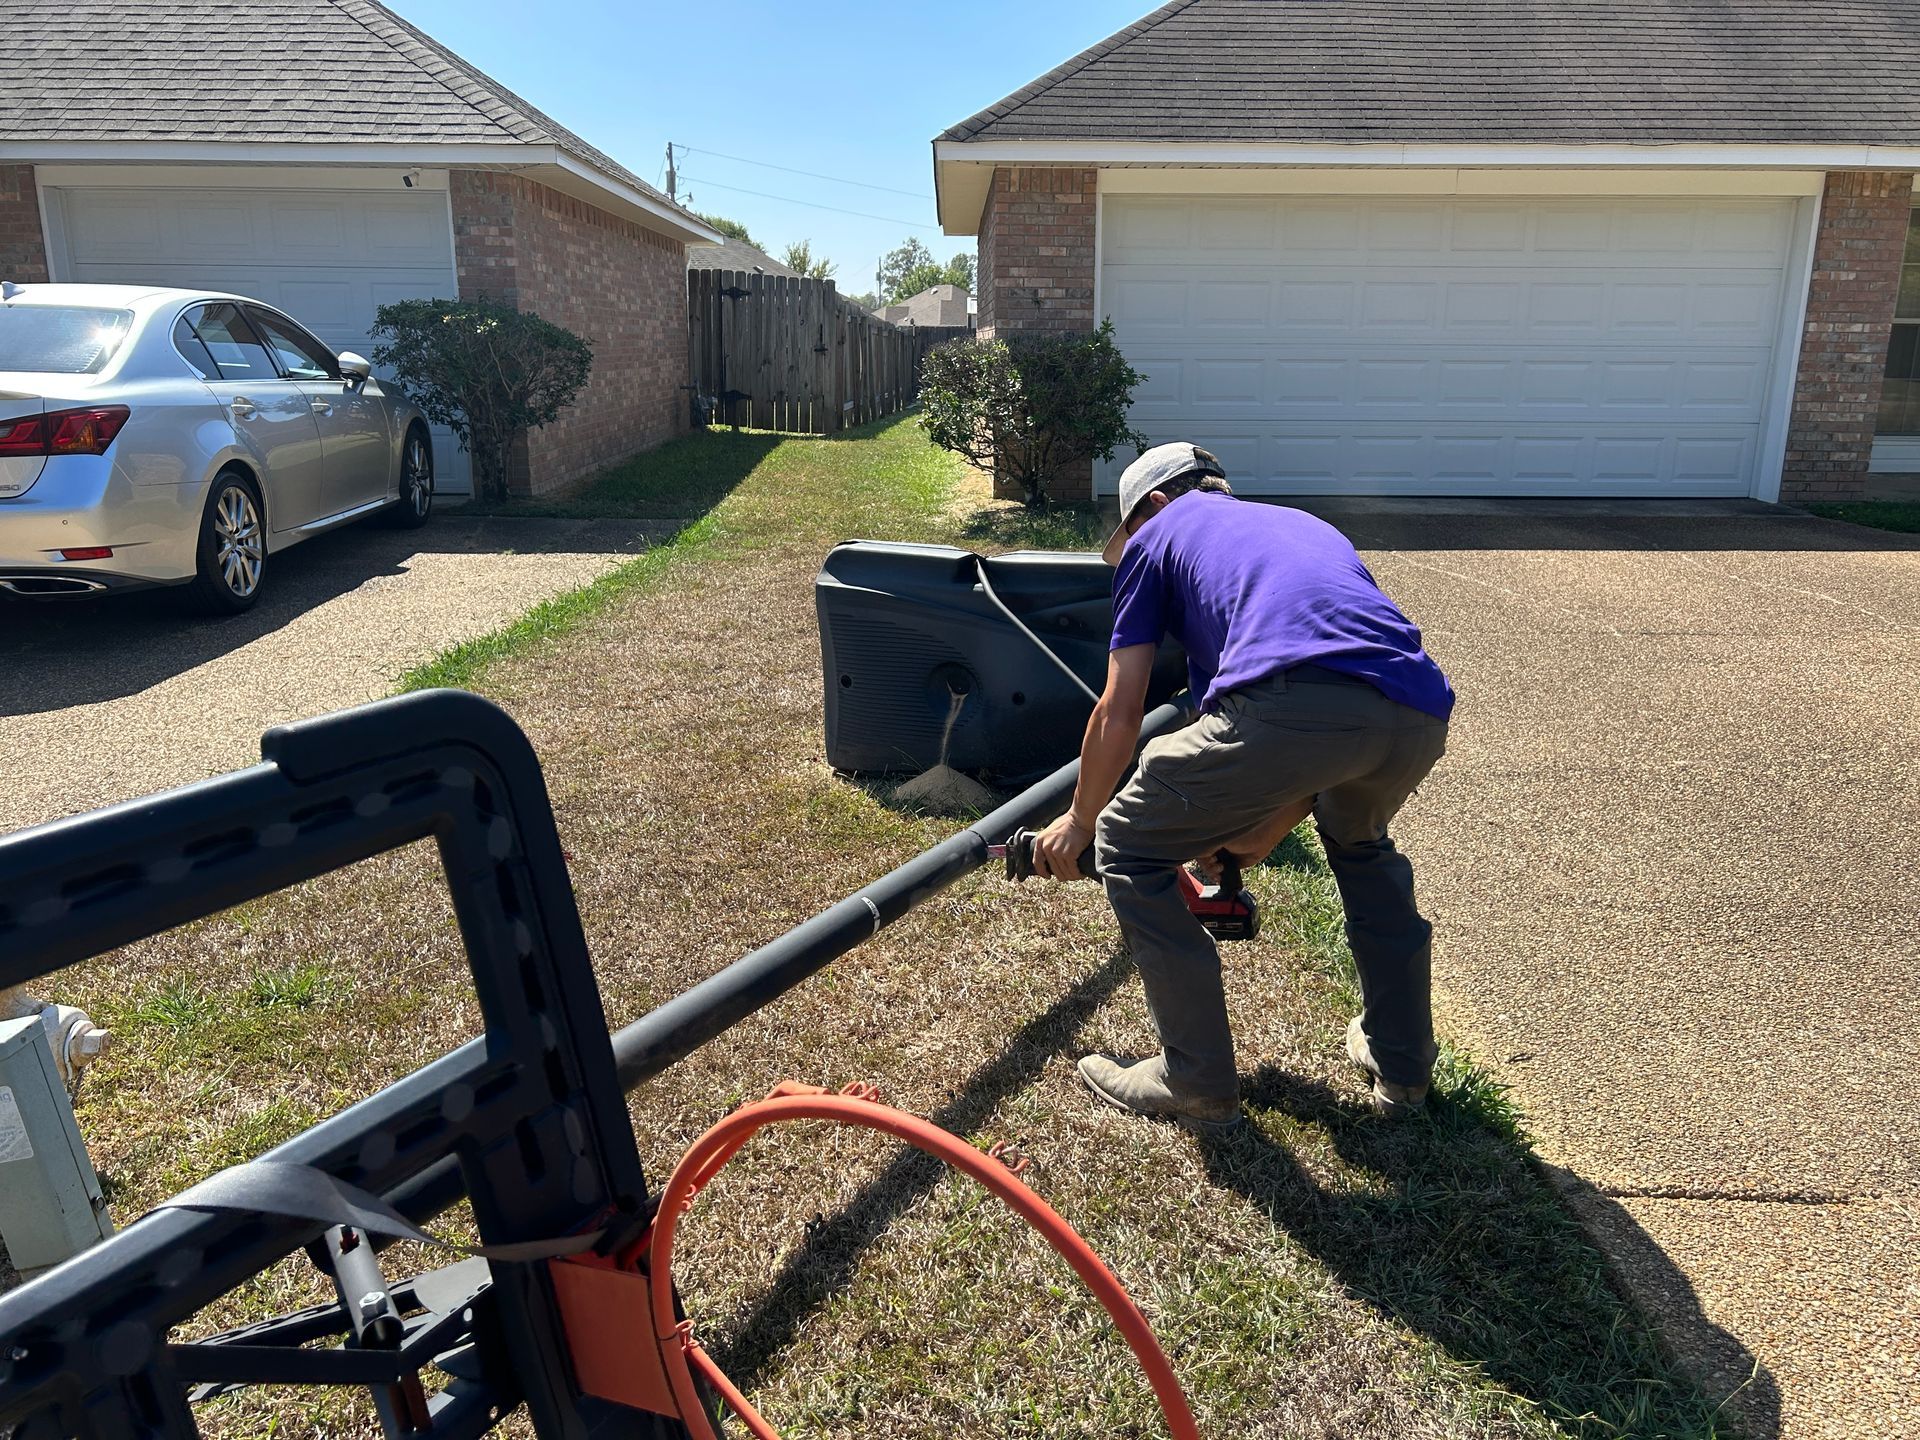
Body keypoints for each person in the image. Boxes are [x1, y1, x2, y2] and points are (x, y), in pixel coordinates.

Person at [1030, 442, 1454, 1129]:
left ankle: (1193, 1076)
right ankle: (1401, 1065)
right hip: (1416, 711)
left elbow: (1120, 705)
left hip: (1295, 702)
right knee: (1361, 848)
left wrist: (1081, 821)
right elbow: (1329, 713)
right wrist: (1265, 826)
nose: (1130, 546)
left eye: (1129, 530)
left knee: (1129, 841)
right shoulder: (1305, 526)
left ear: (1156, 505)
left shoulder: (1159, 534)